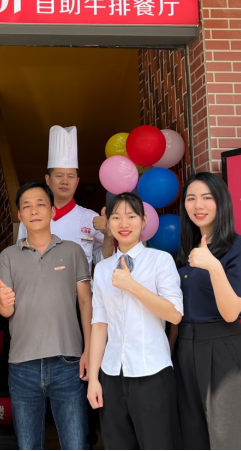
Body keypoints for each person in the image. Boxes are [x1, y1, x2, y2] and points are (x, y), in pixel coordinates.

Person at [0, 180, 93, 451]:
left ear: (52, 211)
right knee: (28, 445)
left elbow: (86, 302)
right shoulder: (7, 257)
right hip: (22, 364)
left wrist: (88, 350)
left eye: (40, 204)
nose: (34, 210)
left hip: (68, 361)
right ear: (19, 215)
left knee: (76, 443)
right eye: (26, 206)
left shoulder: (73, 251)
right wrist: (2, 303)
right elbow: (6, 310)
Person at [172, 172, 241, 450]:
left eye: (206, 198)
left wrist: (213, 266)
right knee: (192, 437)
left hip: (223, 350)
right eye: (191, 199)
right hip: (184, 350)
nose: (198, 205)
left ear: (221, 201)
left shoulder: (239, 246)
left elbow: (231, 311)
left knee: (232, 438)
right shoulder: (184, 251)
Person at [87, 193, 183, 450]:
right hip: (111, 373)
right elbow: (99, 324)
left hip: (152, 372)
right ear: (108, 223)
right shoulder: (102, 269)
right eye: (116, 217)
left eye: (131, 216)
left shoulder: (160, 260)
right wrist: (94, 378)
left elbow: (174, 314)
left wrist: (132, 285)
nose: (123, 223)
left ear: (144, 220)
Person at [17, 126, 113, 266]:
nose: (65, 181)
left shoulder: (91, 218)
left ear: (77, 181)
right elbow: (20, 258)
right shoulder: (31, 215)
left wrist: (108, 235)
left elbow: (103, 262)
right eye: (59, 175)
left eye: (70, 176)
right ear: (48, 179)